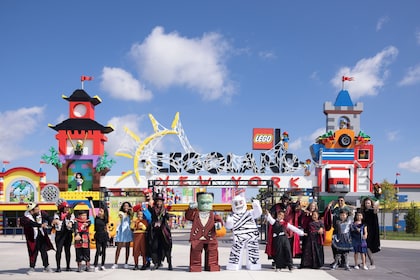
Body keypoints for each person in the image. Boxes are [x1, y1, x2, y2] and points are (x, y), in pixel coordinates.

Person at [185, 191, 223, 272]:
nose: (205, 204)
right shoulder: (195, 213)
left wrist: (219, 225)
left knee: (212, 253)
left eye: (208, 202)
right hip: (197, 237)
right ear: (198, 202)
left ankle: (212, 266)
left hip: (210, 237)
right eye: (202, 202)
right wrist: (190, 209)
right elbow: (188, 216)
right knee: (196, 253)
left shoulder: (214, 215)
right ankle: (195, 266)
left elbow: (219, 222)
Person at [21, 202, 55, 274]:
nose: (38, 210)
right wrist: (41, 225)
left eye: (38, 208)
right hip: (32, 237)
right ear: (31, 211)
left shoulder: (41, 213)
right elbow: (31, 223)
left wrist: (52, 220)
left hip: (41, 235)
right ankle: (32, 267)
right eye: (36, 209)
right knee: (33, 252)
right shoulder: (25, 217)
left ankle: (46, 266)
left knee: (44, 251)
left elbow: (48, 217)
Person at [324, 196, 354, 267]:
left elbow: (351, 218)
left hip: (344, 232)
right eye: (339, 201)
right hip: (336, 230)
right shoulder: (336, 209)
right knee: (334, 246)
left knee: (344, 247)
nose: (340, 202)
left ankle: (344, 262)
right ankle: (336, 261)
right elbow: (329, 213)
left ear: (344, 201)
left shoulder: (347, 209)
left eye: (341, 200)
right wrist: (329, 206)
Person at [147, 192, 173, 270]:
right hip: (155, 231)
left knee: (167, 247)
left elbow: (167, 216)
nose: (159, 202)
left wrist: (168, 216)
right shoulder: (152, 209)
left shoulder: (164, 210)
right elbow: (149, 207)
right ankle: (156, 263)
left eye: (160, 201)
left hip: (163, 231)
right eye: (157, 201)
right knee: (154, 247)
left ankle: (169, 263)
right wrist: (150, 198)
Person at [52, 199, 75, 272]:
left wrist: (70, 223)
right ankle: (58, 267)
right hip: (59, 235)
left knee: (67, 250)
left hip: (68, 234)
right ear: (62, 208)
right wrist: (55, 221)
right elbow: (55, 220)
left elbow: (72, 220)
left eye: (68, 208)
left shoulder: (70, 214)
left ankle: (68, 266)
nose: (67, 209)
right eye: (66, 207)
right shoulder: (57, 214)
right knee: (59, 251)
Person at [88, 197, 109, 272]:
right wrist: (91, 202)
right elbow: (93, 209)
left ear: (104, 213)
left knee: (104, 251)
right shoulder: (96, 218)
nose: (99, 212)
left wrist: (109, 235)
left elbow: (107, 227)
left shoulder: (105, 219)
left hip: (104, 236)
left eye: (101, 211)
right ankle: (95, 265)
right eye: (99, 211)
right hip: (98, 235)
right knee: (98, 251)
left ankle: (102, 265)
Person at [112, 201, 133, 269]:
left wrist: (131, 210)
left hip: (128, 231)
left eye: (127, 206)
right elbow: (120, 216)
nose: (126, 207)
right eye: (124, 206)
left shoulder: (130, 214)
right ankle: (115, 263)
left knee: (127, 248)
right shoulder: (121, 213)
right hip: (121, 231)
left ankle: (126, 263)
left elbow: (132, 218)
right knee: (119, 247)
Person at [361, 197, 380, 269]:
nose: (367, 204)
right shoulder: (363, 211)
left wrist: (376, 207)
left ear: (371, 204)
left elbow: (376, 210)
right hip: (363, 230)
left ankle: (372, 263)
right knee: (363, 247)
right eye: (366, 203)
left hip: (371, 231)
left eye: (368, 203)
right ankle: (364, 262)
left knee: (367, 247)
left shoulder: (373, 211)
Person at [130, 204, 149, 270]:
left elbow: (145, 228)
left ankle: (144, 264)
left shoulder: (145, 221)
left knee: (143, 251)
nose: (139, 215)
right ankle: (136, 264)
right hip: (136, 236)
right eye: (138, 214)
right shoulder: (135, 220)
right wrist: (133, 222)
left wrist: (142, 226)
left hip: (142, 236)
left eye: (141, 214)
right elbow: (132, 228)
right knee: (136, 250)